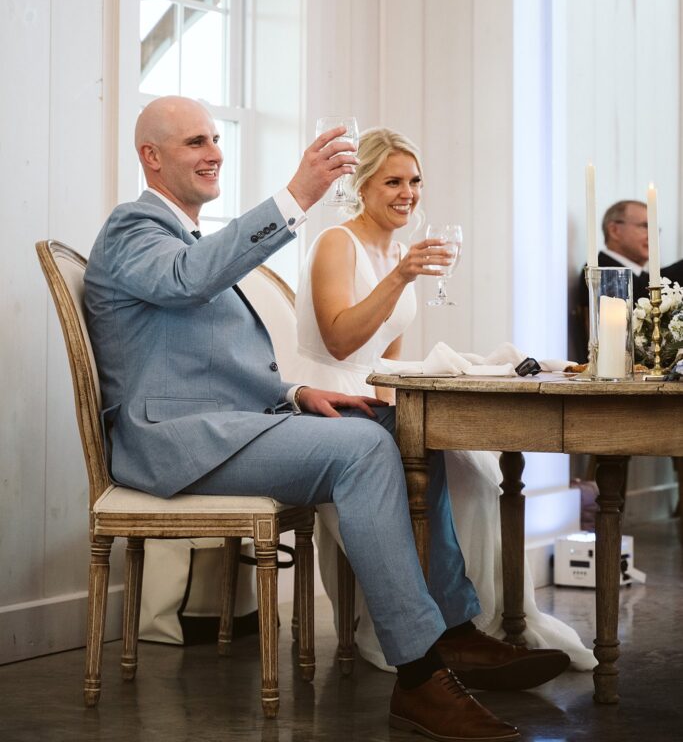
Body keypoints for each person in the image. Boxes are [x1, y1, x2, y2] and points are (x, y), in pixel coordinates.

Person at [84, 96, 570, 742]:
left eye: (215, 139)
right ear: (151, 157)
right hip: (174, 442)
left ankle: (451, 632)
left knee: (397, 430)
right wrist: (294, 197)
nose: (214, 152)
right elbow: (186, 281)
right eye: (195, 142)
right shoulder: (132, 230)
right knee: (360, 450)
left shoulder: (183, 239)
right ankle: (421, 675)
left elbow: (203, 352)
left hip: (229, 426)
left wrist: (296, 393)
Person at [293, 127, 596, 673]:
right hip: (332, 411)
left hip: (378, 405)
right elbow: (342, 341)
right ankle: (443, 638)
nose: (408, 192)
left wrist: (409, 412)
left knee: (477, 481)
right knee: (440, 481)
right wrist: (403, 275)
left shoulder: (394, 251)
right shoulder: (337, 243)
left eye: (415, 180)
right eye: (392, 181)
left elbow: (385, 364)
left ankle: (484, 627)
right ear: (362, 186)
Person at [573, 199, 683, 357]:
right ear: (614, 230)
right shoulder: (603, 271)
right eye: (645, 226)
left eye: (655, 229)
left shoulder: (641, 276)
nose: (652, 236)